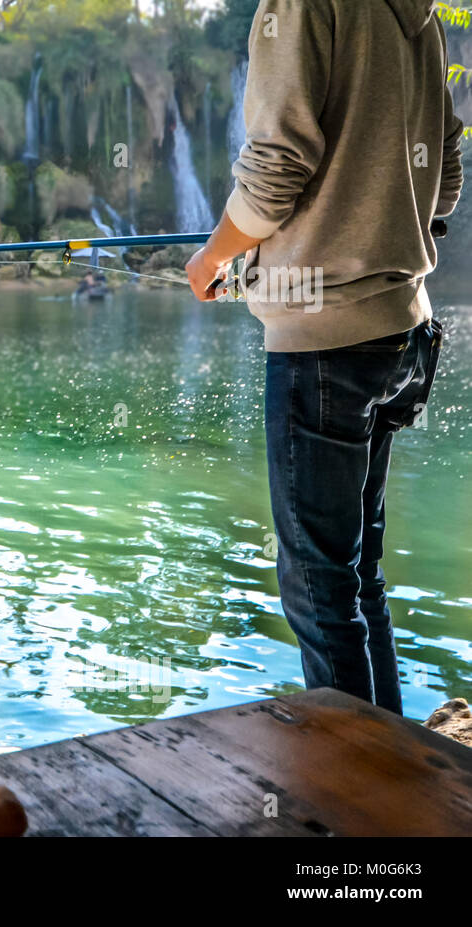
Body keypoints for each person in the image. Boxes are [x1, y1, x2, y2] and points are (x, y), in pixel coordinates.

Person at [186, 0, 463, 715]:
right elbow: (449, 170)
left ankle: (356, 802)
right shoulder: (419, 13)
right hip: (403, 330)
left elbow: (279, 163)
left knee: (317, 588)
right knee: (355, 576)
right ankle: (391, 773)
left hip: (325, 346)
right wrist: (381, 230)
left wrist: (216, 256)